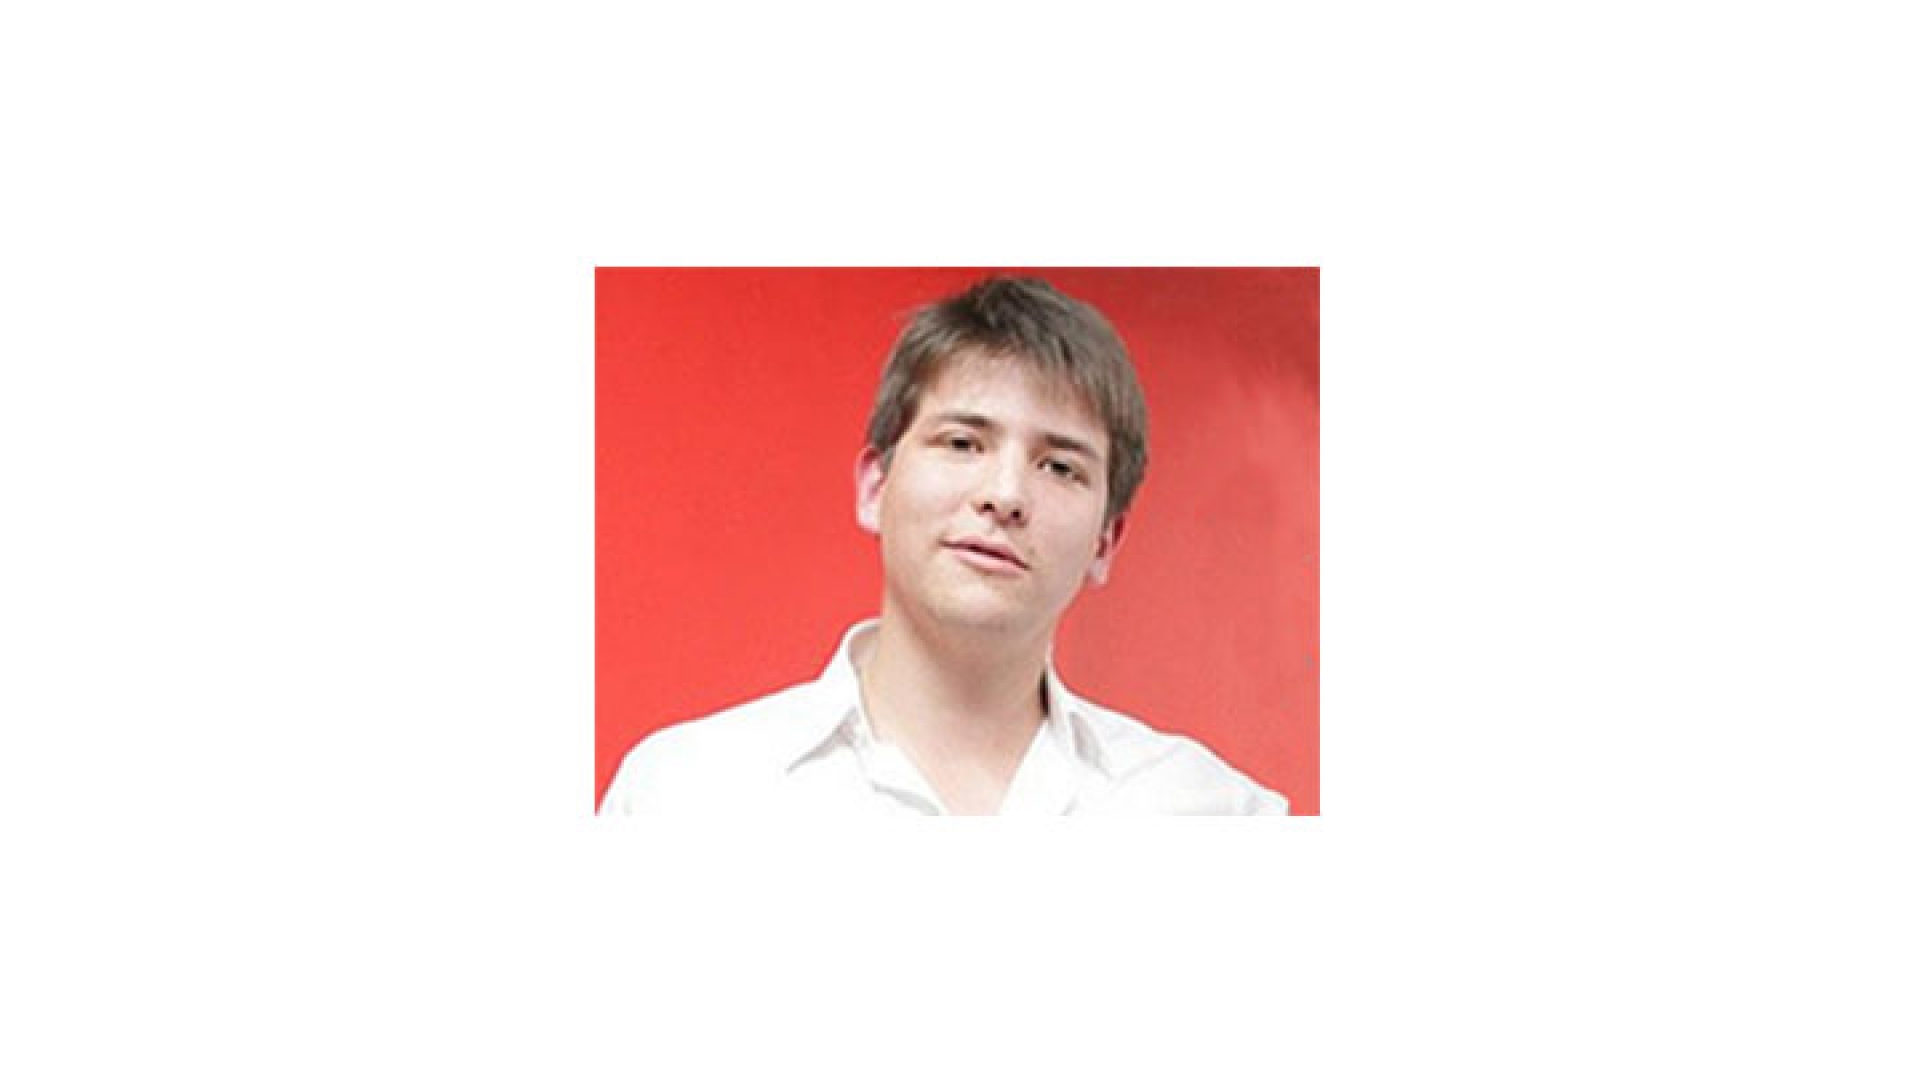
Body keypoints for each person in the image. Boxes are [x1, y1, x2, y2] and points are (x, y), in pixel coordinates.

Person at [601, 276, 1289, 815]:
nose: (1005, 494)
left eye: (1060, 467)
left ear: (1106, 540)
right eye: (962, 443)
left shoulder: (1218, 812)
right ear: (875, 486)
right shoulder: (685, 792)